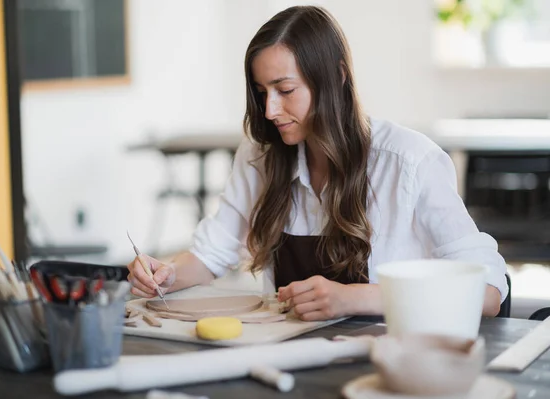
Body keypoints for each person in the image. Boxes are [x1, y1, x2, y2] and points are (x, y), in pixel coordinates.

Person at [127, 5, 508, 320]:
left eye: (285, 90)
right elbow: (210, 255)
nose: (271, 110)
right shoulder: (260, 155)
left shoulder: (408, 162)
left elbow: (489, 293)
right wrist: (166, 274)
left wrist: (355, 298)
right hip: (292, 359)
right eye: (262, 93)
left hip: (389, 362)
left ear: (337, 76)